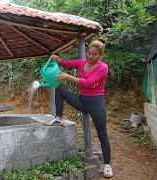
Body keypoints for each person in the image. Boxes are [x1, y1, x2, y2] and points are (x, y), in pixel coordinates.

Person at [45, 37, 113, 178]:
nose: (90, 56)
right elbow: (68, 64)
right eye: (89, 53)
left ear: (101, 55)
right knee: (60, 91)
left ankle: (107, 165)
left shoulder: (103, 67)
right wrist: (57, 59)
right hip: (82, 101)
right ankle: (58, 117)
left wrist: (68, 77)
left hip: (96, 104)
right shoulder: (82, 63)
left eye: (94, 54)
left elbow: (88, 83)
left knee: (103, 135)